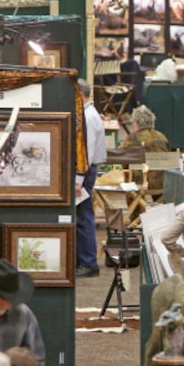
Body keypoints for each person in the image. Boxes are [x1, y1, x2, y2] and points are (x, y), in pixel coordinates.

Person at [0, 260, 45, 366]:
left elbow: (36, 360)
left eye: (10, 299)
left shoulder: (23, 314)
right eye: (1, 297)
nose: (6, 303)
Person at [75, 79, 107, 278]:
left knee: (83, 218)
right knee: (83, 216)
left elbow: (83, 152)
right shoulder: (89, 114)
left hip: (84, 174)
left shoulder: (87, 117)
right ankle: (84, 259)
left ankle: (88, 262)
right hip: (86, 172)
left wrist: (78, 180)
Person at [121, 105, 170, 194]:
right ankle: (158, 204)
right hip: (161, 183)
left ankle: (136, 206)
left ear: (136, 123)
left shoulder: (131, 138)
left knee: (128, 173)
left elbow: (124, 163)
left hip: (138, 184)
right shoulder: (162, 137)